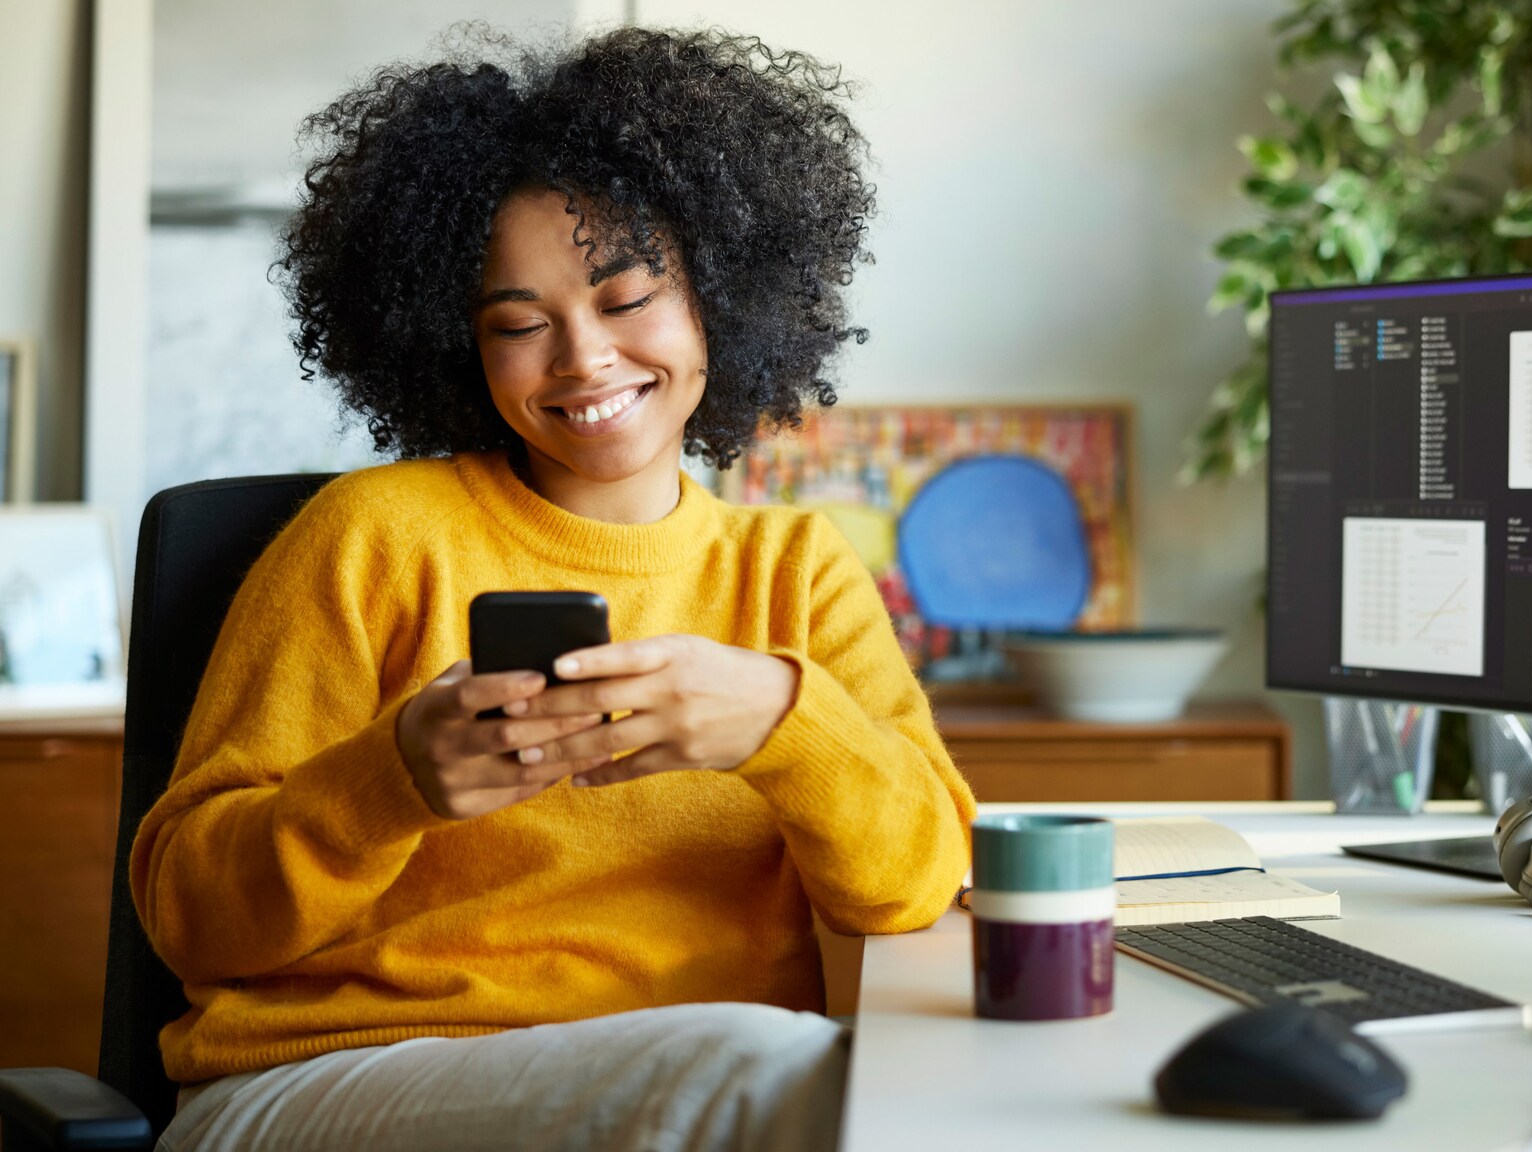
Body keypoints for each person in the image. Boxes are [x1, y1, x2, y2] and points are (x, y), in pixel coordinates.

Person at [135, 26, 974, 1151]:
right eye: (520, 326)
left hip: (681, 1097)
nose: (581, 359)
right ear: (457, 349)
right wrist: (391, 782)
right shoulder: (372, 537)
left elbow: (924, 882)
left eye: (627, 301)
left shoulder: (794, 573)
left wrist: (786, 724)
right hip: (323, 1083)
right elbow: (190, 918)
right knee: (793, 1078)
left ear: (721, 297)